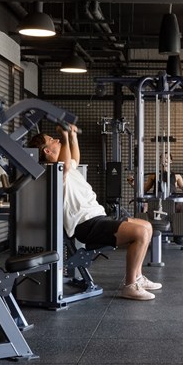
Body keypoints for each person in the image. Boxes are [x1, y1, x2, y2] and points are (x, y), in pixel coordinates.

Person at [29, 124, 160, 301]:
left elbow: (73, 158)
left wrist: (73, 137)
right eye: (52, 140)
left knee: (147, 226)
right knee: (140, 233)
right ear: (46, 151)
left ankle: (137, 277)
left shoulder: (66, 167)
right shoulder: (53, 172)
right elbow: (67, 164)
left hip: (97, 217)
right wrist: (66, 137)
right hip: (86, 225)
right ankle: (130, 286)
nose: (57, 139)